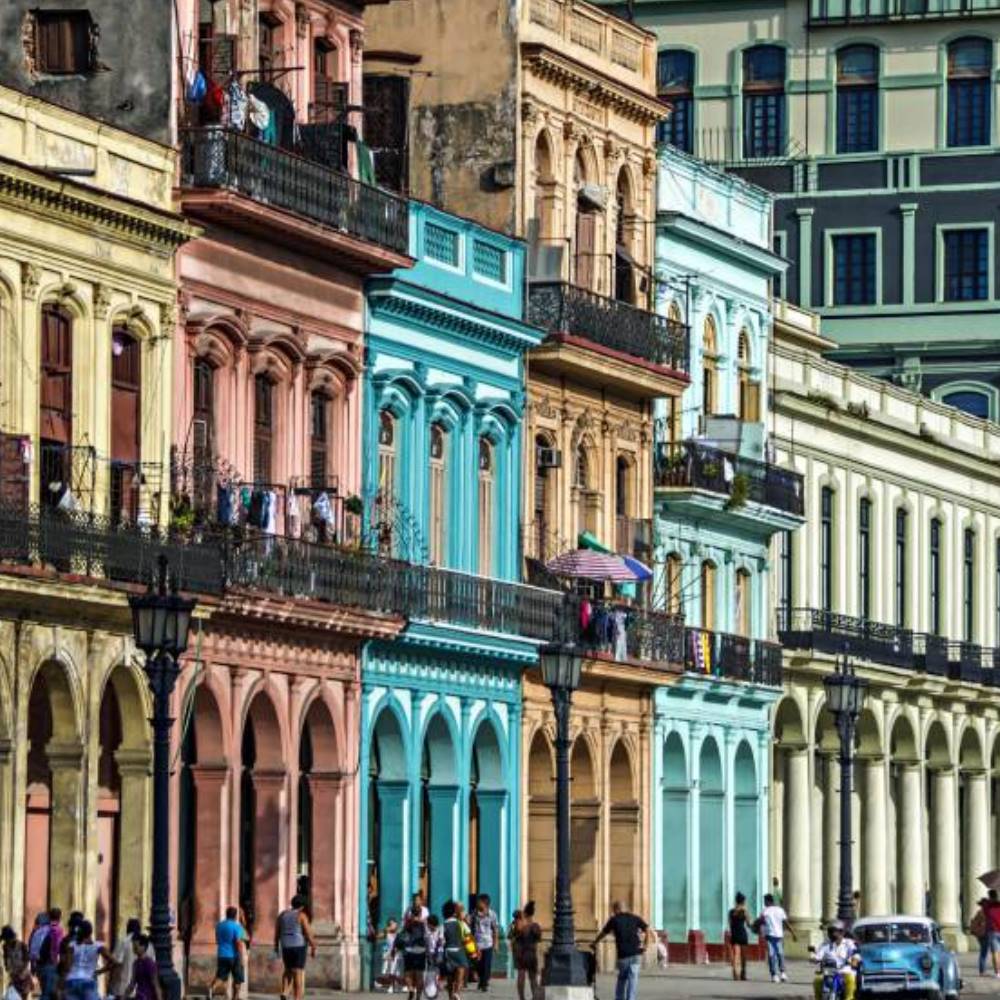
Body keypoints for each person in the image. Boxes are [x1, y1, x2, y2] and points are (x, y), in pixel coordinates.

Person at [592, 901, 651, 1000]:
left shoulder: (614, 920)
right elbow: (647, 929)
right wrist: (646, 945)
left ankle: (619, 998)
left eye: (614, 910)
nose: (613, 912)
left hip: (623, 955)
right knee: (633, 979)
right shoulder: (635, 918)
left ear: (617, 909)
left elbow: (604, 932)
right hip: (636, 953)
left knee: (622, 978)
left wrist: (595, 942)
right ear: (625, 908)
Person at [58, 920, 117, 1000]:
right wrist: (99, 972)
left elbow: (67, 967)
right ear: (90, 932)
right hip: (88, 980)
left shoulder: (72, 946)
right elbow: (114, 962)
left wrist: (61, 983)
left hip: (72, 981)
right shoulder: (98, 946)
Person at [274, 897, 316, 1000]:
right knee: (298, 972)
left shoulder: (282, 915)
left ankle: (284, 991)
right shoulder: (301, 916)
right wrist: (313, 946)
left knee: (288, 970)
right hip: (298, 946)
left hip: (285, 946)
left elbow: (277, 932)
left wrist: (276, 945)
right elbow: (308, 933)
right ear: (302, 906)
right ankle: (297, 997)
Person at [812, 920, 859, 1000]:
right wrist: (814, 959)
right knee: (817, 980)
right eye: (830, 931)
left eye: (834, 931)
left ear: (841, 932)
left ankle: (849, 998)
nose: (831, 934)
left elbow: (855, 953)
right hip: (828, 971)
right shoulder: (825, 944)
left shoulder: (848, 943)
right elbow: (818, 955)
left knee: (850, 979)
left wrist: (854, 960)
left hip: (844, 970)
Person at [757, 893, 797, 983]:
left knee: (772, 955)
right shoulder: (780, 910)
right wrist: (793, 933)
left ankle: (774, 975)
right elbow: (786, 923)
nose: (764, 903)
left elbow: (761, 923)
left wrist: (761, 933)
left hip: (770, 935)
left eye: (764, 901)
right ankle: (783, 973)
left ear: (767, 901)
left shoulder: (764, 911)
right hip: (779, 935)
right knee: (780, 954)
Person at [209, 907, 247, 1000]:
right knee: (237, 978)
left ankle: (211, 988)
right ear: (235, 915)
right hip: (234, 955)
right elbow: (238, 942)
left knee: (221, 976)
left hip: (221, 954)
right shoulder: (236, 926)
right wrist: (241, 956)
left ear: (226, 914)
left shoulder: (219, 925)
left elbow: (217, 940)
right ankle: (235, 997)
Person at [508, 905, 541, 1000]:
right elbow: (538, 938)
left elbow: (510, 937)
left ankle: (522, 997)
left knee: (522, 975)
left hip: (520, 953)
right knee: (532, 977)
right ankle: (534, 996)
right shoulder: (534, 925)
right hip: (529, 953)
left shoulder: (514, 925)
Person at [395, 906, 428, 1000]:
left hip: (409, 950)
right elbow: (427, 937)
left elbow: (401, 934)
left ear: (411, 913)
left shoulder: (407, 923)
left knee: (408, 973)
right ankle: (418, 997)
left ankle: (410, 989)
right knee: (419, 975)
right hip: (421, 950)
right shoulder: (424, 924)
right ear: (421, 913)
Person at [108, 918, 143, 1000]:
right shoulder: (147, 944)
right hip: (140, 989)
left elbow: (116, 961)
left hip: (123, 987)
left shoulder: (123, 942)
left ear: (128, 928)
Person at [441, 901, 469, 1000]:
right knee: (461, 970)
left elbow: (441, 940)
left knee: (449, 975)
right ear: (454, 912)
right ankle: (456, 992)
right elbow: (468, 935)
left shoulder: (443, 924)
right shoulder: (460, 923)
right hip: (459, 950)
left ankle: (450, 996)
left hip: (448, 951)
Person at [470, 896, 498, 993]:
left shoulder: (492, 915)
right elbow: (471, 928)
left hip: (488, 943)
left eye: (479, 902)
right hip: (477, 944)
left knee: (486, 965)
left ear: (485, 904)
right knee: (478, 964)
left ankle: (484, 983)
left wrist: (496, 943)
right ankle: (481, 980)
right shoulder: (474, 913)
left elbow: (495, 929)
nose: (477, 903)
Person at [36, 909, 63, 1000]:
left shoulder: (40, 930)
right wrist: (55, 961)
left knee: (45, 991)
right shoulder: (57, 929)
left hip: (39, 964)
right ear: (60, 917)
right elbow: (56, 947)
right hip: (51, 964)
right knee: (49, 993)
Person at [1, 926, 34, 1000]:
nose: (6, 942)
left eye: (7, 940)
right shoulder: (5, 947)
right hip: (14, 977)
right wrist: (9, 969)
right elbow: (6, 961)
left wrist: (21, 972)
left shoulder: (22, 946)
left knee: (23, 996)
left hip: (23, 976)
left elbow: (27, 960)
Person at [126, 935, 161, 1000]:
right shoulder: (136, 963)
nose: (134, 948)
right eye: (133, 946)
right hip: (140, 996)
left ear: (143, 947)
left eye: (136, 946)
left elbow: (156, 984)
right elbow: (132, 983)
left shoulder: (149, 964)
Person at [727, 893, 751, 981]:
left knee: (736, 955)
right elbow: (748, 924)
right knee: (743, 956)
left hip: (734, 934)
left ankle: (735, 972)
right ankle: (743, 974)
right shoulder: (744, 911)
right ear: (743, 901)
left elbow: (730, 924)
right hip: (742, 934)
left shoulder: (731, 912)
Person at [971, 899, 989, 976]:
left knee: (983, 953)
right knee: (985, 953)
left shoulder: (979, 912)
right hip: (986, 934)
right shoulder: (986, 913)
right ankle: (983, 971)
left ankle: (982, 971)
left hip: (980, 935)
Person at [985, 888, 1000, 977]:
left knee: (995, 952)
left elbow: (986, 914)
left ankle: (998, 973)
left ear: (989, 896)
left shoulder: (988, 906)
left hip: (993, 931)